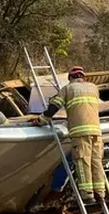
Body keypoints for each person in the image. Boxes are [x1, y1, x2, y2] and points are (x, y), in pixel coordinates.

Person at [35, 66, 103, 204]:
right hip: (96, 131)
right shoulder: (94, 88)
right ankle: (100, 193)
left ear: (70, 78)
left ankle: (87, 193)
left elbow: (53, 108)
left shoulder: (68, 89)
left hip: (80, 132)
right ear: (82, 76)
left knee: (82, 161)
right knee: (96, 161)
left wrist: (41, 120)